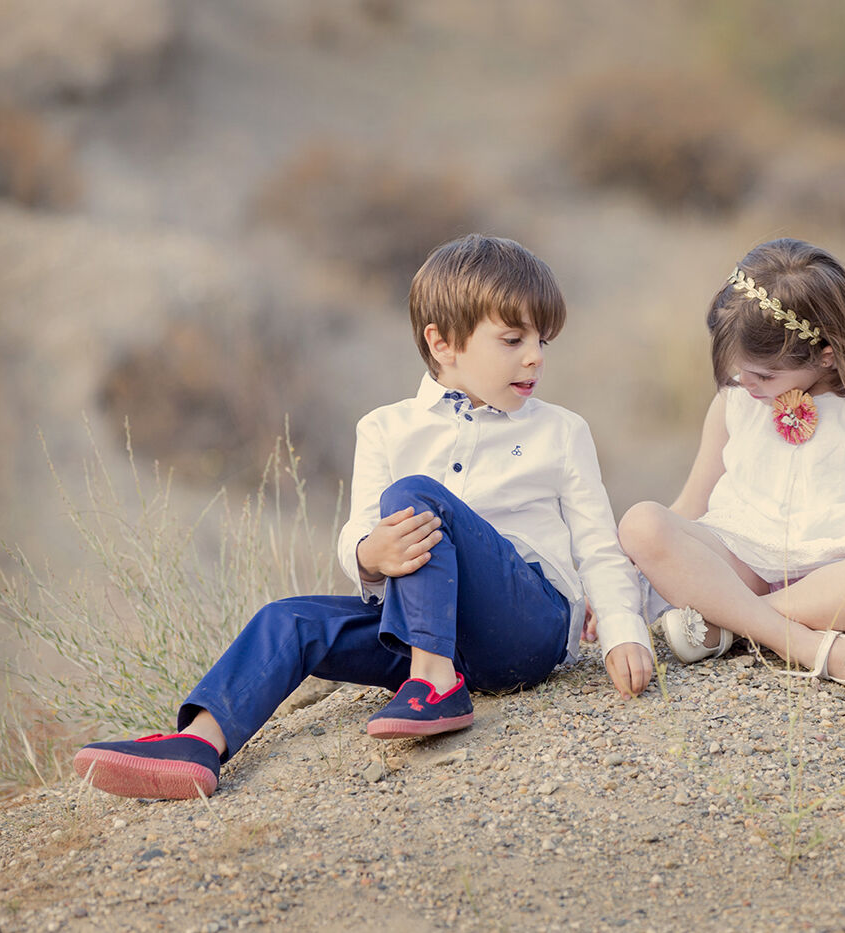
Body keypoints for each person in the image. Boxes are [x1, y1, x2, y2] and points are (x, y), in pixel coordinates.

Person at [74, 234, 654, 800]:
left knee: (415, 494)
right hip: (428, 629)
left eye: (542, 341)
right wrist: (366, 556)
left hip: (526, 625)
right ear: (444, 342)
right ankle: (198, 743)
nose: (534, 357)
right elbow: (358, 530)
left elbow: (596, 544)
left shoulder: (560, 430)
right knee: (288, 619)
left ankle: (433, 683)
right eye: (512, 339)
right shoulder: (384, 427)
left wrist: (622, 632)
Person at [619, 238, 845, 697]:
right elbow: (690, 504)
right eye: (737, 371)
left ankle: (732, 625)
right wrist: (619, 594)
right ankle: (808, 648)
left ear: (825, 353)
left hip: (839, 581)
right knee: (641, 523)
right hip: (742, 560)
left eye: (765, 376)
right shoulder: (737, 400)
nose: (745, 384)